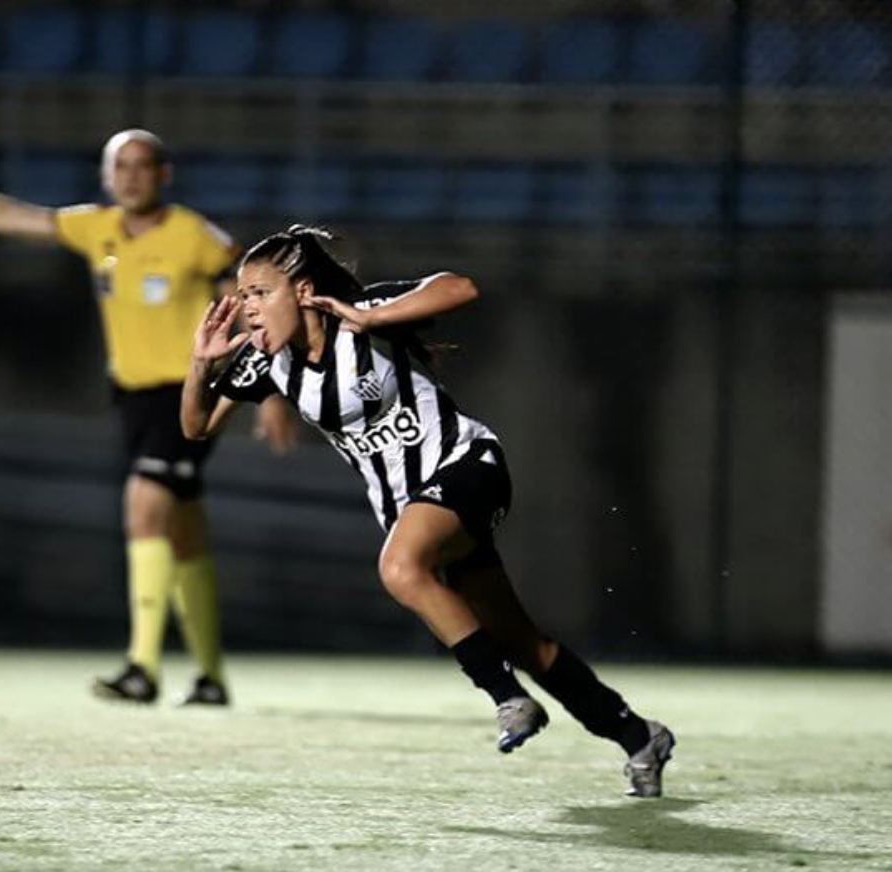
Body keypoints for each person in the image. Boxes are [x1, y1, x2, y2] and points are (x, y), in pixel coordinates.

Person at [182, 225, 675, 797]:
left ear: (303, 290)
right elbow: (194, 427)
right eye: (242, 297)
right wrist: (199, 366)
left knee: (399, 569)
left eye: (260, 293)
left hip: (468, 466)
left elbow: (461, 287)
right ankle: (639, 736)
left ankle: (506, 698)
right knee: (524, 643)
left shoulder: (360, 313)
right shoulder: (267, 364)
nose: (248, 309)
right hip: (416, 511)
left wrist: (373, 318)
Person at [0, 130, 296, 706]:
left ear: (163, 175)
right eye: (120, 166)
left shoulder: (193, 236)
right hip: (132, 396)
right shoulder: (97, 229)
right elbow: (10, 217)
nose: (130, 177)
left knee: (144, 504)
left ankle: (141, 668)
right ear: (105, 175)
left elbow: (254, 306)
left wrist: (269, 389)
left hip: (187, 392)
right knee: (183, 530)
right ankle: (211, 676)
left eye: (142, 166)